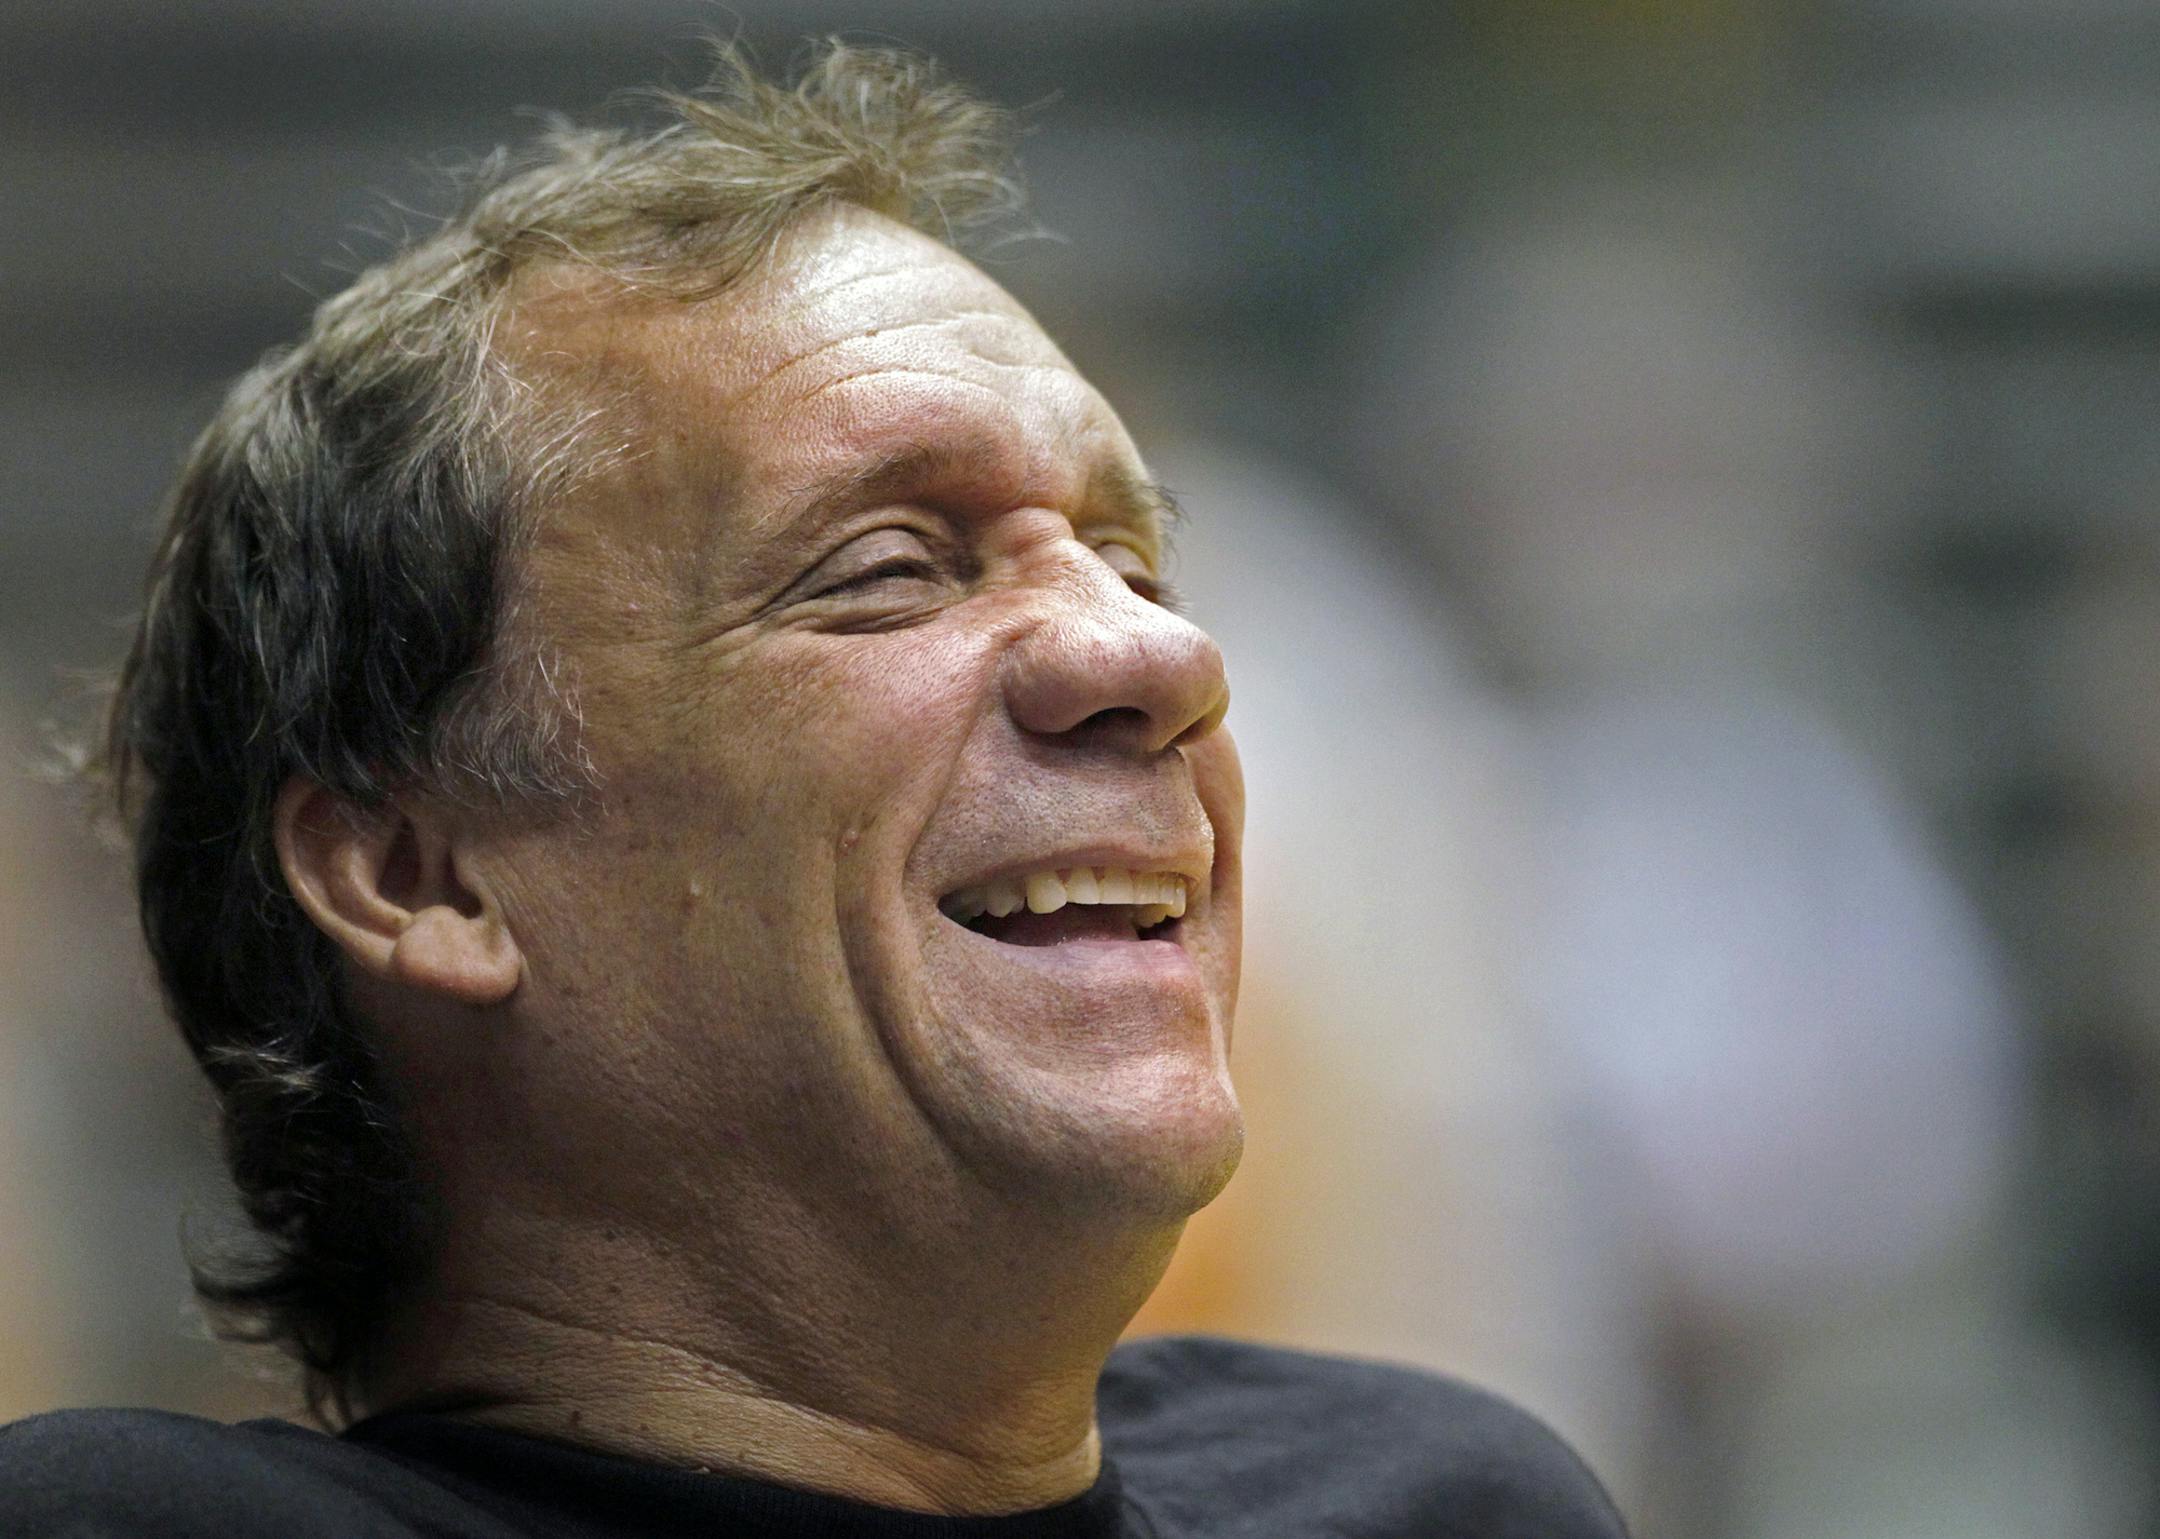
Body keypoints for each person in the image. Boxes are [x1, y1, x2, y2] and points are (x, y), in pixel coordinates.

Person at [0, 43, 1628, 1538]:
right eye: (885, 569)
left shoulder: (1449, 1506)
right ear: (421, 874)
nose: (1159, 655)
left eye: (1130, 555)